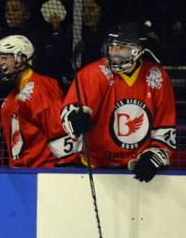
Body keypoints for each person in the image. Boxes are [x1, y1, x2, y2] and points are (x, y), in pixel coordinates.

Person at [60, 22, 177, 181]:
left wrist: (154, 156)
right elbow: (69, 112)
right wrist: (74, 119)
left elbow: (165, 125)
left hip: (136, 166)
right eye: (111, 47)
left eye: (121, 47)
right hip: (95, 165)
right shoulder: (92, 74)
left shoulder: (157, 77)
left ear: (137, 50)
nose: (113, 52)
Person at [0, 35, 75, 167]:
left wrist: (66, 166)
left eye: (4, 58)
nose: (0, 63)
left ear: (21, 59)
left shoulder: (40, 87)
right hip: (22, 171)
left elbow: (59, 129)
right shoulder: (13, 96)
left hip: (44, 170)